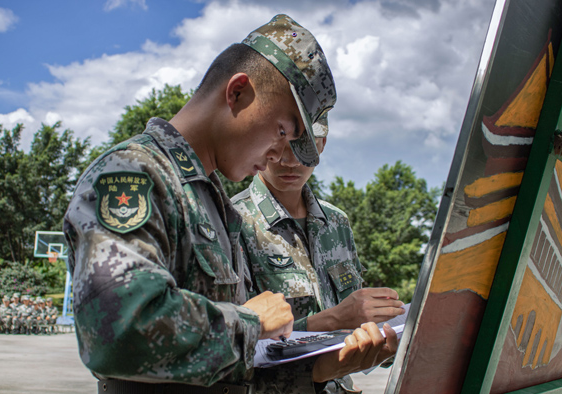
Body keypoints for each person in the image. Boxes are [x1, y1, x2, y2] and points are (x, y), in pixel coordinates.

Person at [63, 14, 396, 394]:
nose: (279, 154)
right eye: (282, 132)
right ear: (237, 92)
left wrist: (317, 370)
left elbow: (224, 365)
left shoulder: (212, 203)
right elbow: (117, 334)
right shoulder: (135, 174)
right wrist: (250, 322)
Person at [232, 115, 404, 393]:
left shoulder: (336, 222)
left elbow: (357, 323)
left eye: (304, 147)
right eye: (281, 144)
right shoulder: (234, 221)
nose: (291, 161)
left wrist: (381, 328)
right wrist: (333, 319)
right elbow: (235, 342)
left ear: (322, 144)